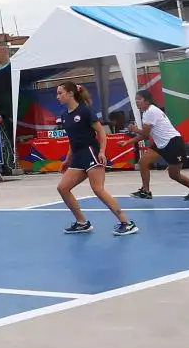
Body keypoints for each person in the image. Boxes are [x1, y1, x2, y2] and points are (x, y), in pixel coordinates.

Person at [54, 83, 138, 236]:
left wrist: (102, 152)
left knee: (98, 189)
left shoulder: (85, 111)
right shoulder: (65, 116)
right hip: (78, 157)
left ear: (71, 93)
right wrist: (67, 160)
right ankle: (82, 223)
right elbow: (73, 141)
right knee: (62, 188)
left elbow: (101, 132)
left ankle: (127, 222)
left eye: (60, 93)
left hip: (91, 152)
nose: (57, 96)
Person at [130, 92, 189, 200]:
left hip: (173, 143)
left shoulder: (150, 111)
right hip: (160, 143)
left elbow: (145, 135)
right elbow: (145, 134)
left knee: (174, 174)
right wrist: (127, 142)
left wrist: (134, 129)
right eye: (136, 99)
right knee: (143, 162)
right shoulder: (147, 112)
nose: (137, 102)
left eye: (139, 99)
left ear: (147, 101)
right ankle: (145, 191)